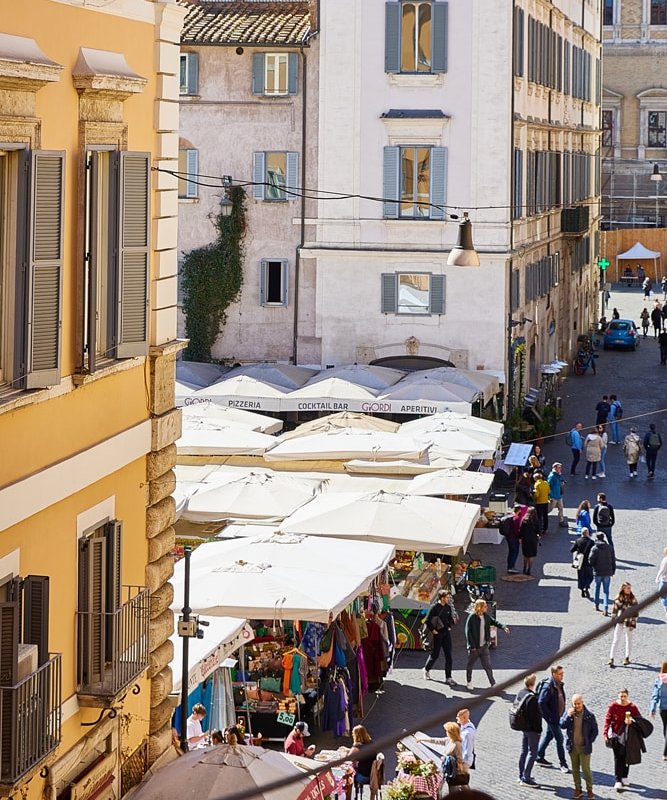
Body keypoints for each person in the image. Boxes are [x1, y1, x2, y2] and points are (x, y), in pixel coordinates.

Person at [464, 599, 510, 690]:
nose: (487, 608)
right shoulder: (472, 617)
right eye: (485, 606)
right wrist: (472, 646)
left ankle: (493, 683)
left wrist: (504, 627)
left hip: (484, 647)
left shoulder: (486, 616)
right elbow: (468, 632)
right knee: (470, 665)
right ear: (480, 607)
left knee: (487, 666)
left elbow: (494, 622)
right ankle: (469, 682)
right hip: (474, 648)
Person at [559, 693, 598, 800]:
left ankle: (589, 790)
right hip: (573, 747)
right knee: (575, 769)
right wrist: (568, 716)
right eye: (575, 704)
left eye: (578, 703)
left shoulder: (589, 715)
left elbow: (595, 731)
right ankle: (578, 789)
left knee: (586, 769)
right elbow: (562, 725)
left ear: (582, 702)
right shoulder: (569, 713)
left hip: (584, 747)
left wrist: (589, 741)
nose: (577, 706)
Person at [603, 688, 641, 790]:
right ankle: (618, 780)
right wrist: (605, 734)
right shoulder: (613, 706)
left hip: (628, 736)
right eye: (621, 696)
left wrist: (632, 721)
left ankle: (625, 776)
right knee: (618, 757)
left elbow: (639, 720)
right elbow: (607, 719)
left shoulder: (632, 707)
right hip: (616, 735)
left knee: (626, 756)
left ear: (627, 696)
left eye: (624, 696)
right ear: (618, 696)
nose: (623, 698)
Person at [535, 664, 569, 772]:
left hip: (557, 717)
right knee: (560, 739)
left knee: (549, 735)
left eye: (562, 673)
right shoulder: (548, 686)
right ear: (554, 674)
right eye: (560, 674)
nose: (562, 676)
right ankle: (563, 764)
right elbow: (541, 702)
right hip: (553, 719)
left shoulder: (558, 684)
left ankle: (539, 756)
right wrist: (549, 717)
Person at [417, 722, 470, 791]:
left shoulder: (457, 744)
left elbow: (459, 760)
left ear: (451, 733)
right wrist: (422, 739)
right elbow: (436, 740)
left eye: (447, 731)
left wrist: (461, 772)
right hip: (449, 769)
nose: (446, 733)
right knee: (454, 786)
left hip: (455, 771)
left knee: (457, 787)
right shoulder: (449, 740)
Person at [423, 589, 457, 685]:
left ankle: (448, 677)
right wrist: (433, 630)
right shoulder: (434, 608)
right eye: (447, 597)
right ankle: (426, 669)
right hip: (438, 634)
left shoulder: (448, 607)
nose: (448, 599)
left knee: (449, 655)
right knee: (435, 654)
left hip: (446, 634)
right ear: (442, 598)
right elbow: (427, 620)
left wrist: (450, 626)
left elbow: (450, 619)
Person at [516, 673, 543, 788]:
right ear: (533, 684)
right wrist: (539, 730)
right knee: (533, 753)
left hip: (523, 727)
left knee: (524, 751)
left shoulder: (521, 693)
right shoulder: (532, 698)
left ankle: (521, 774)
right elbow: (535, 717)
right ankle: (526, 777)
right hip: (532, 729)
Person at [608, 581, 639, 667]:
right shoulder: (618, 598)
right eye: (628, 588)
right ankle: (611, 658)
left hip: (629, 622)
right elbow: (614, 611)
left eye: (630, 588)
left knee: (628, 639)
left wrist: (633, 624)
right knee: (616, 639)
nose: (630, 589)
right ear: (623, 588)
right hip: (619, 621)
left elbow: (636, 612)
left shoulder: (632, 598)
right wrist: (613, 621)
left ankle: (627, 657)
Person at [588, 532, 616, 615]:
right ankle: (606, 608)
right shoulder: (609, 547)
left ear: (597, 538)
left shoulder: (595, 548)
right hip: (608, 572)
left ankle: (596, 605)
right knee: (606, 591)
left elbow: (590, 561)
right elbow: (613, 560)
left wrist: (594, 566)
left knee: (597, 588)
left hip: (598, 572)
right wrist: (613, 571)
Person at [346, 725, 378, 789]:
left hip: (363, 776)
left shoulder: (357, 746)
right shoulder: (370, 743)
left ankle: (347, 792)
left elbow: (348, 758)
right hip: (372, 774)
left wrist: (350, 749)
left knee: (347, 773)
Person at [649, 659, 667, 760]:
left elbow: (654, 696)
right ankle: (665, 753)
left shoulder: (659, 680)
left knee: (665, 727)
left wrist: (652, 709)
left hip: (663, 709)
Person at [570, 527, 594, 599]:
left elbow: (571, 550)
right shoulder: (591, 542)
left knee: (581, 577)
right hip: (588, 562)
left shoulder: (578, 541)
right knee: (590, 576)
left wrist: (578, 549)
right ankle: (586, 585)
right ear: (588, 533)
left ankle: (582, 589)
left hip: (580, 562)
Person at [501, 504, 525, 574]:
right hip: (514, 538)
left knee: (511, 552)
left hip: (508, 537)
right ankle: (511, 567)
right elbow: (516, 530)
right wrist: (520, 537)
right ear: (519, 510)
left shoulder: (510, 516)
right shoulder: (516, 518)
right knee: (514, 552)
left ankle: (510, 566)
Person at [519, 506, 541, 576]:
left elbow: (521, 530)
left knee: (525, 554)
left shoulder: (524, 520)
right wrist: (539, 536)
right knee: (531, 555)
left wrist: (520, 538)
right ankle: (529, 569)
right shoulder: (536, 521)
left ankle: (524, 568)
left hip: (525, 539)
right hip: (533, 539)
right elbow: (539, 531)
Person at [547, 462, 568, 528]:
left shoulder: (558, 474)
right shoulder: (552, 476)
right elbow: (548, 486)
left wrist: (562, 481)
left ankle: (561, 521)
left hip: (559, 495)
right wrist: (549, 496)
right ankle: (542, 516)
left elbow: (560, 480)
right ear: (555, 468)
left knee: (561, 508)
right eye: (559, 467)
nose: (560, 469)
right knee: (550, 509)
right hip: (553, 496)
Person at [656, 546, 667, 621]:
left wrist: (657, 577)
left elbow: (662, 570)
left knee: (662, 595)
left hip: (665, 580)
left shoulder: (665, 560)